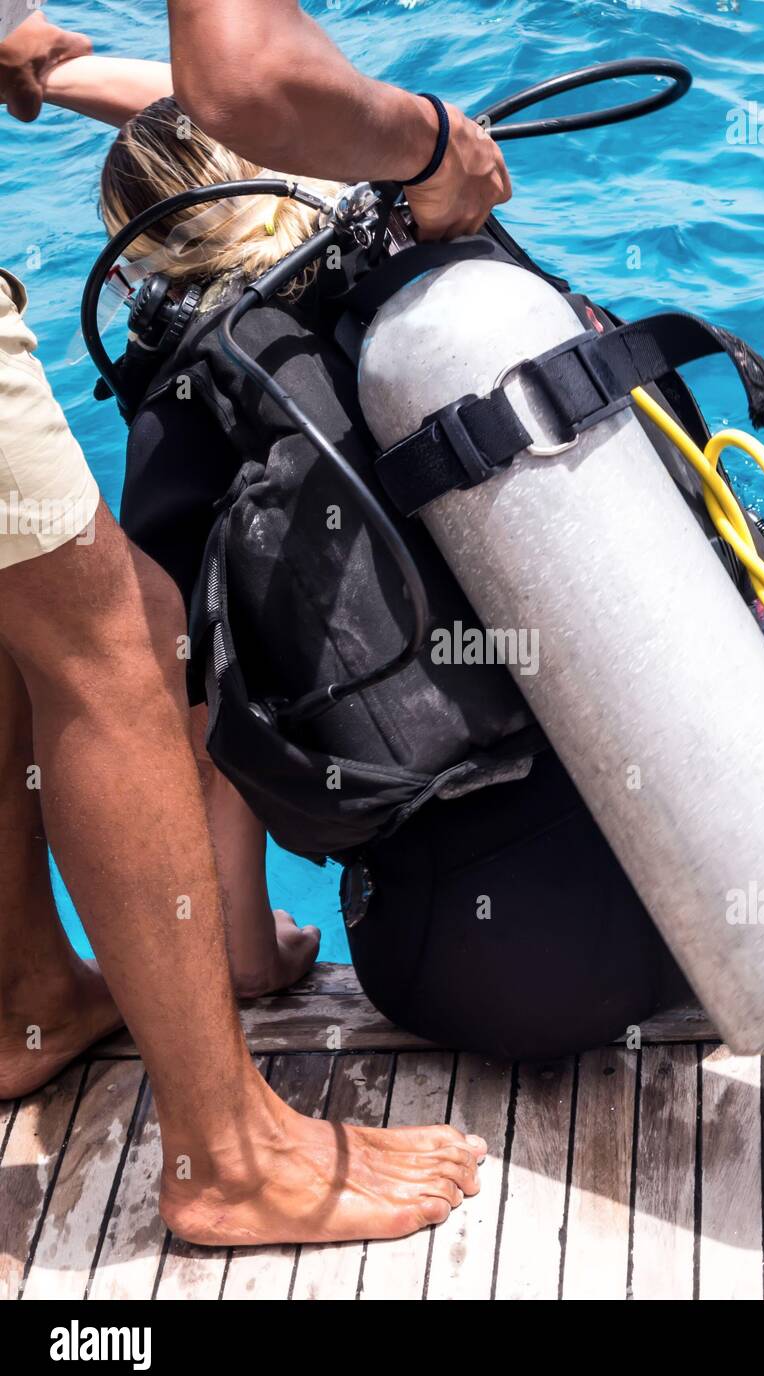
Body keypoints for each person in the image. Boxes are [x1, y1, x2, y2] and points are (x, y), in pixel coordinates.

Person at [90, 80, 764, 1059]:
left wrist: (254, 961)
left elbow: (202, 740)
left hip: (509, 981)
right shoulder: (474, 296)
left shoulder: (196, 411)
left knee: (216, 682)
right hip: (755, 893)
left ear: (151, 256)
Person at [0, 2, 506, 1248]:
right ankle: (226, 1158)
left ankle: (27, 994)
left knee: (29, 601)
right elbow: (250, 77)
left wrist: (37, 53)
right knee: (114, 629)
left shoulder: (184, 432)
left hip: (429, 958)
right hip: (581, 944)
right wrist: (435, 142)